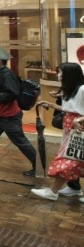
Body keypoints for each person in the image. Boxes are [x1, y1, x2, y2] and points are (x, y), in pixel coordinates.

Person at [32, 63, 84, 202]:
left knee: (69, 160)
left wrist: (79, 120)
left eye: (59, 72)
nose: (57, 75)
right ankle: (73, 188)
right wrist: (52, 105)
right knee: (75, 160)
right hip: (71, 130)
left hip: (78, 129)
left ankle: (53, 191)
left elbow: (77, 111)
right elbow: (70, 109)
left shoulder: (82, 89)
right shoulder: (71, 90)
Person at [0, 58, 38, 176]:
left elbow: (12, 93)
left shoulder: (6, 74)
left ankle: (39, 165)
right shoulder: (0, 73)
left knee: (20, 140)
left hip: (9, 115)